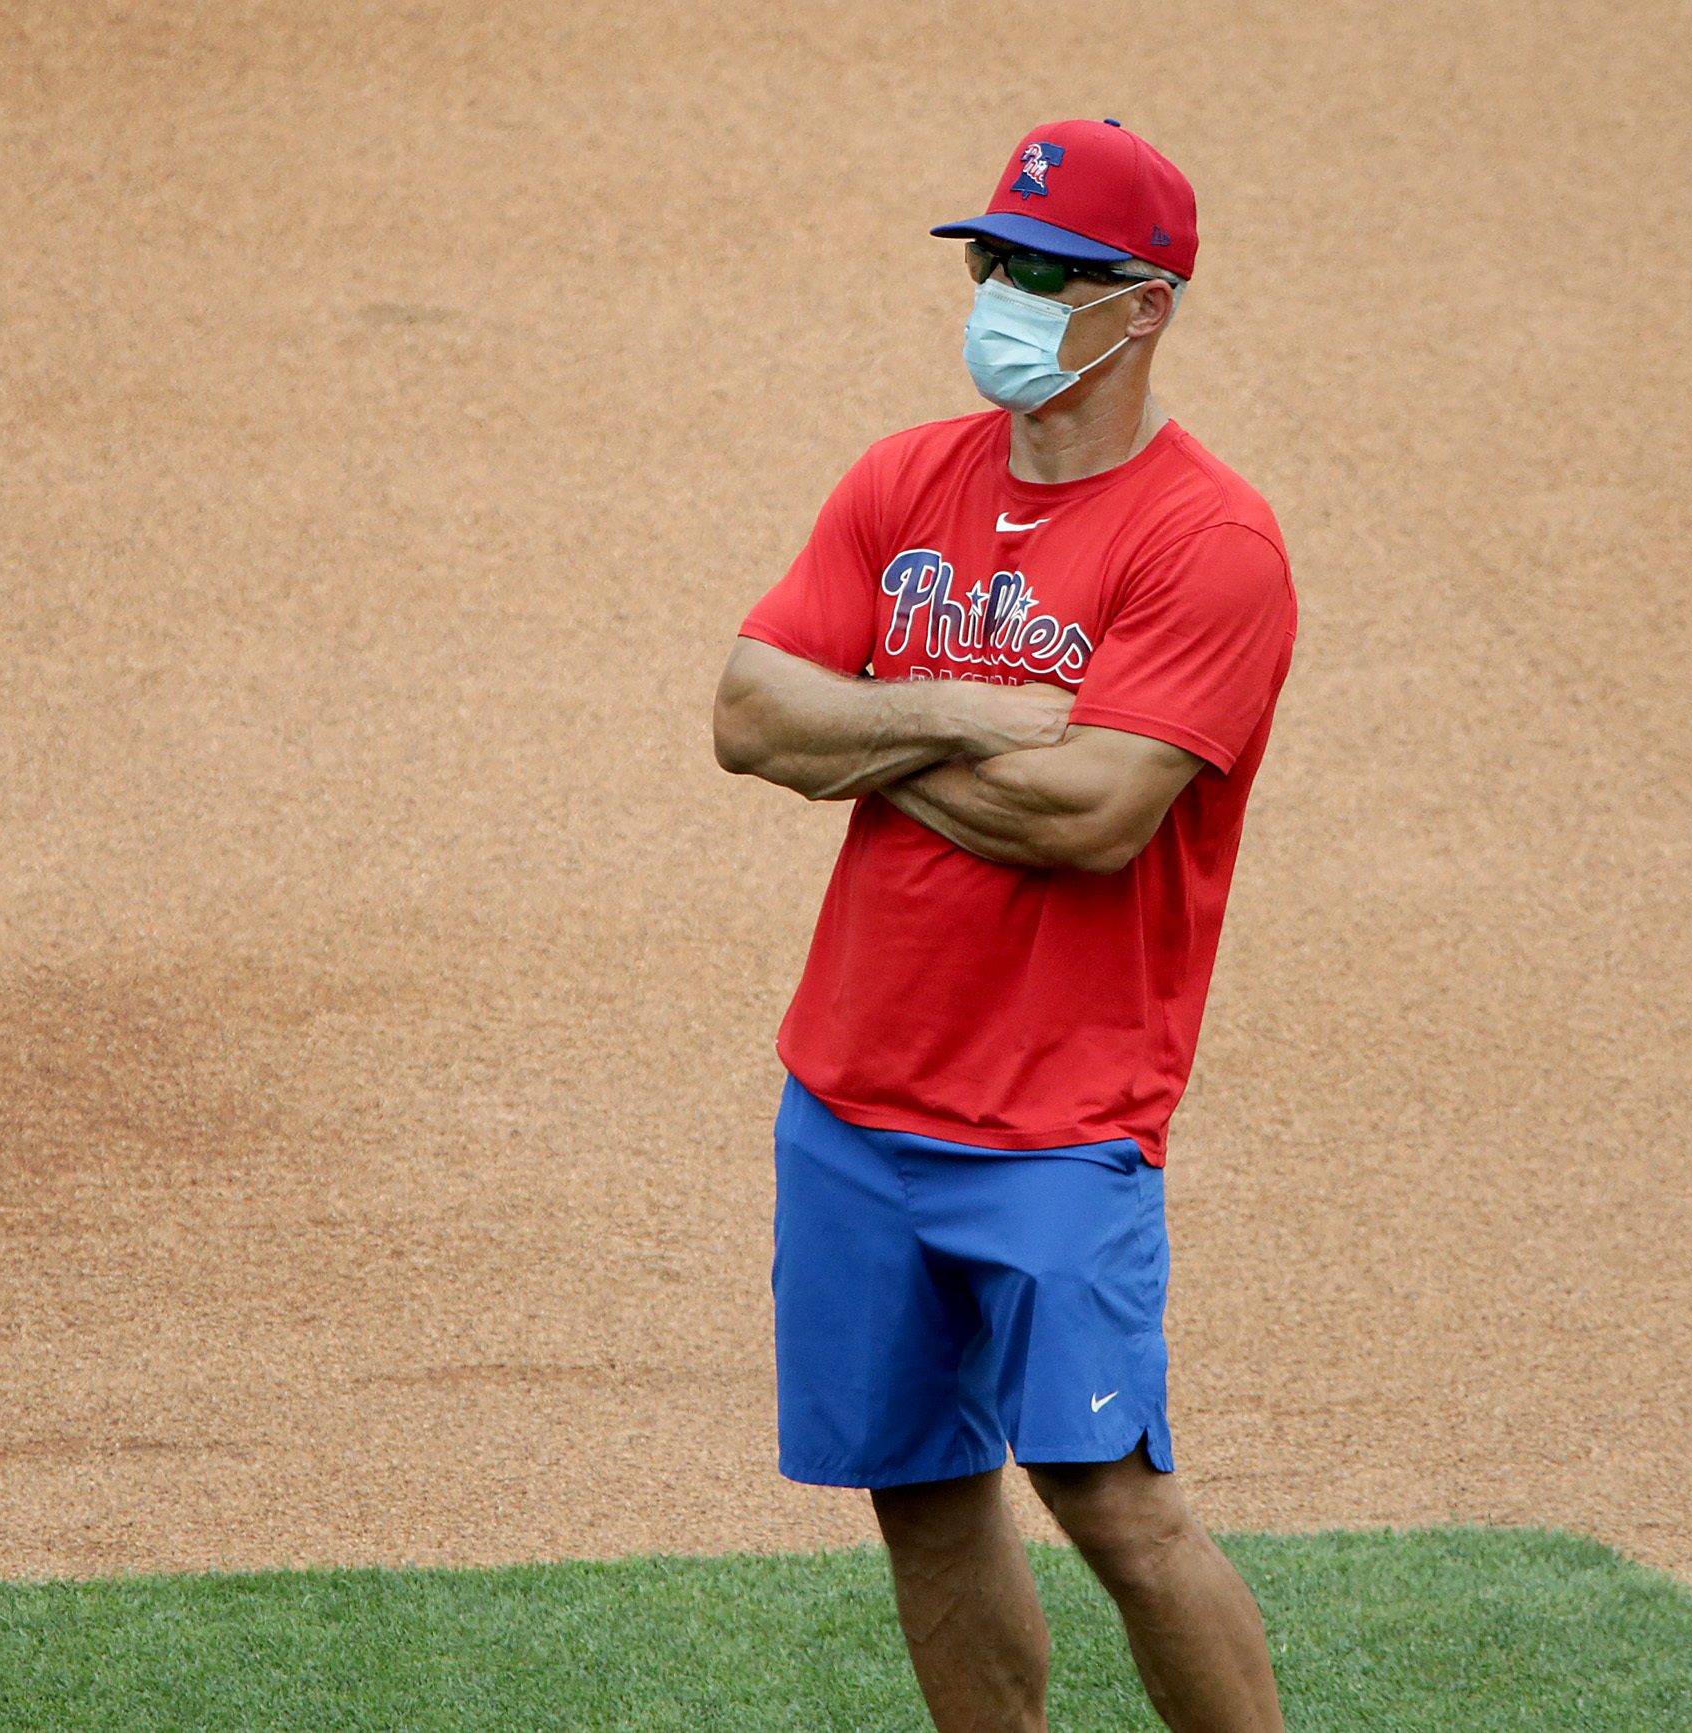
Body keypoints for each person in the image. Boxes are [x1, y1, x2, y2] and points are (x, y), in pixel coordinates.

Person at [711, 118, 1296, 1733]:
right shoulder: (904, 477)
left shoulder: (1211, 543)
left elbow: (1093, 815)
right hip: (850, 1094)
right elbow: (750, 715)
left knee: (1115, 1504)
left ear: (1147, 302)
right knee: (922, 1487)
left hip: (1059, 1120)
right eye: (994, 260)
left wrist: (874, 743)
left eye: (1053, 270)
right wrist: (969, 706)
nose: (1008, 293)